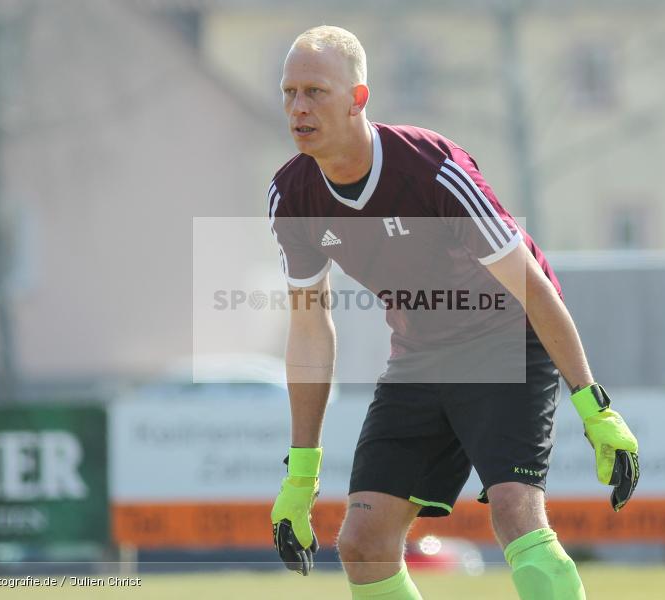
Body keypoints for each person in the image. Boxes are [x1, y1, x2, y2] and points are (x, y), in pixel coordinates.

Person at [268, 25, 639, 600]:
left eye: (315, 91)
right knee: (363, 544)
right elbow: (310, 328)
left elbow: (535, 288)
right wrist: (301, 474)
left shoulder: (432, 168)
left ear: (357, 99)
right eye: (289, 92)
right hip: (419, 357)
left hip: (506, 340)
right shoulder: (291, 197)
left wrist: (595, 409)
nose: (298, 106)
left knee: (517, 515)